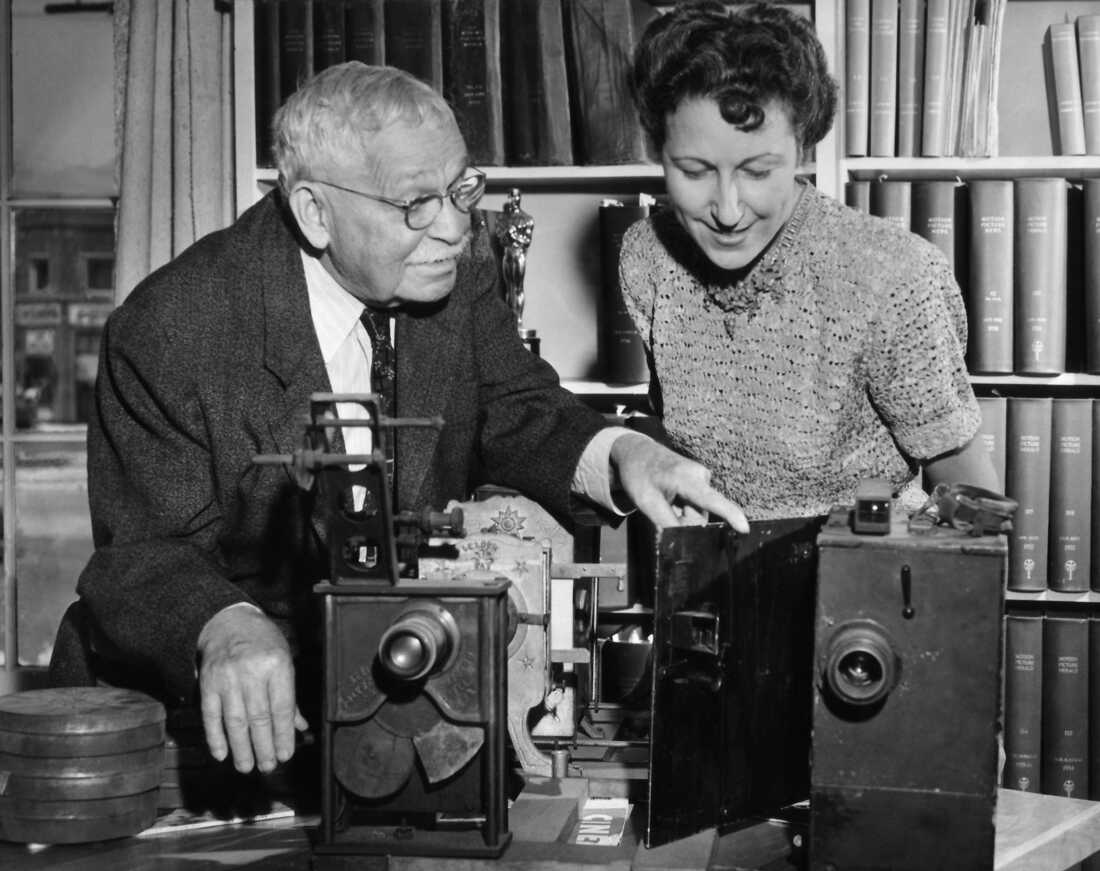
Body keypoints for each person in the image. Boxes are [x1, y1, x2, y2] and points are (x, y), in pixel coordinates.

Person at [48, 62, 747, 778]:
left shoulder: (453, 273)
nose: (453, 227)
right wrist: (221, 624)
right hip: (201, 731)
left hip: (393, 709)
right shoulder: (169, 328)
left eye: (460, 188)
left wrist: (627, 452)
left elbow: (523, 411)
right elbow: (141, 555)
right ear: (316, 212)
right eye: (416, 203)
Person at [620, 0, 999, 521]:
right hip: (717, 578)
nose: (728, 211)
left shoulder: (891, 276)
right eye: (694, 170)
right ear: (657, 149)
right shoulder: (647, 259)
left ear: (803, 148)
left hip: (867, 578)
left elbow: (977, 513)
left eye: (757, 171)